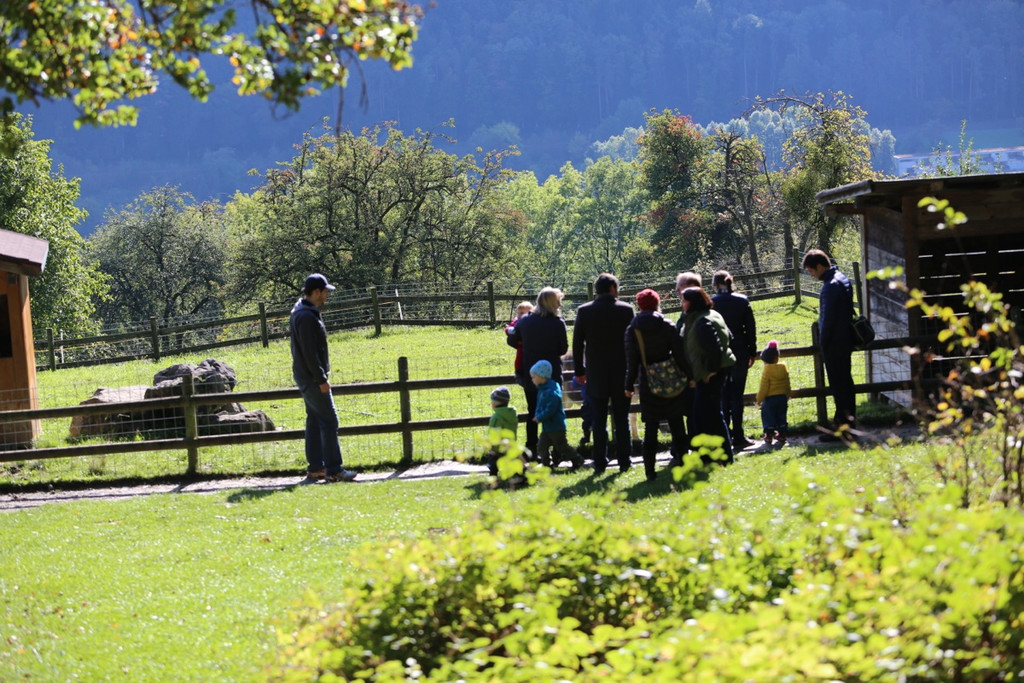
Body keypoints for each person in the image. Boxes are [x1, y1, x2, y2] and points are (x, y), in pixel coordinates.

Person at [290, 273, 357, 482]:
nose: (327, 295)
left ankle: (316, 468)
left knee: (314, 420)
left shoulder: (300, 311)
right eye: (326, 291)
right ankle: (334, 470)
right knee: (329, 421)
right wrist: (321, 379)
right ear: (316, 292)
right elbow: (310, 353)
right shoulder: (307, 317)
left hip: (304, 376)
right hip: (312, 378)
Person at [572, 273, 636, 473]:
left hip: (596, 373)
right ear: (613, 289)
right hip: (621, 371)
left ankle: (600, 461)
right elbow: (633, 342)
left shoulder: (584, 311)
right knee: (622, 418)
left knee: (598, 419)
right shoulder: (627, 310)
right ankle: (625, 460)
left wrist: (579, 371)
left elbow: (577, 344)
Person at [624, 288, 688, 480]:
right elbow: (679, 353)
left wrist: (628, 386)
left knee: (650, 427)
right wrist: (689, 375)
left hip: (647, 382)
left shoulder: (632, 329)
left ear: (639, 305)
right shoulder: (667, 325)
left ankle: (650, 471)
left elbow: (631, 362)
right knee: (677, 423)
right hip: (670, 379)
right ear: (657, 303)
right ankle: (684, 463)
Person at [506, 287, 568, 457]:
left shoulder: (525, 321)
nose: (560, 304)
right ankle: (558, 449)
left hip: (531, 374)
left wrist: (525, 345)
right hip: (552, 374)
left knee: (532, 410)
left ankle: (531, 448)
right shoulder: (557, 323)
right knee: (554, 410)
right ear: (552, 303)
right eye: (558, 301)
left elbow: (511, 339)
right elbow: (562, 349)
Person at [802, 249, 856, 440]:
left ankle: (842, 428)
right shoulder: (842, 279)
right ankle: (849, 424)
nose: (811, 274)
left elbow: (827, 321)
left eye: (811, 270)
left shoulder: (829, 287)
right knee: (846, 384)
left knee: (839, 386)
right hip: (846, 340)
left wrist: (823, 345)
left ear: (820, 265)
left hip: (835, 344)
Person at [678, 286, 736, 464]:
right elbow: (730, 338)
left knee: (710, 416)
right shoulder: (713, 315)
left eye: (684, 300)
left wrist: (711, 371)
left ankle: (723, 457)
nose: (681, 304)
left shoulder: (702, 322)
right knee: (705, 415)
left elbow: (715, 349)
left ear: (692, 302)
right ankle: (712, 457)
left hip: (710, 375)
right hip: (714, 372)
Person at [711, 270, 758, 450]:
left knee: (723, 394)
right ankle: (738, 434)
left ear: (715, 284)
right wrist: (751, 351)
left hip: (721, 353)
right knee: (737, 394)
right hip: (740, 351)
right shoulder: (742, 301)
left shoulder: (712, 303)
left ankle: (725, 435)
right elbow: (750, 328)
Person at [530, 360, 582, 469]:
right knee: (542, 446)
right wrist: (538, 413)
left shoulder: (551, 392)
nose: (532, 380)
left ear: (542, 377)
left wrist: (540, 417)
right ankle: (546, 466)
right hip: (547, 426)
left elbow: (550, 409)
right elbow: (540, 406)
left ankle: (577, 459)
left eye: (534, 377)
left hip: (556, 426)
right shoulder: (542, 389)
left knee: (561, 446)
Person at [756, 340, 791, 446]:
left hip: (770, 399)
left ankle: (769, 434)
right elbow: (787, 383)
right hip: (782, 397)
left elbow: (764, 387)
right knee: (781, 415)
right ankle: (782, 433)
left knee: (768, 415)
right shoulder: (783, 368)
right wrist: (788, 394)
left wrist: (759, 399)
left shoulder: (767, 370)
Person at [486, 385, 519, 476]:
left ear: (496, 402)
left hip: (498, 446)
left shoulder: (496, 417)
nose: (491, 403)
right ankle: (516, 475)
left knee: (494, 462)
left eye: (492, 400)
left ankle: (493, 475)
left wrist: (492, 446)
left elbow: (494, 432)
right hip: (510, 444)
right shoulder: (512, 414)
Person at [504, 301, 534, 377]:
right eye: (519, 313)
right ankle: (518, 371)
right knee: (519, 359)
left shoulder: (532, 321)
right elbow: (510, 327)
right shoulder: (517, 320)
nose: (520, 315)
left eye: (523, 313)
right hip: (520, 345)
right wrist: (509, 330)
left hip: (529, 345)